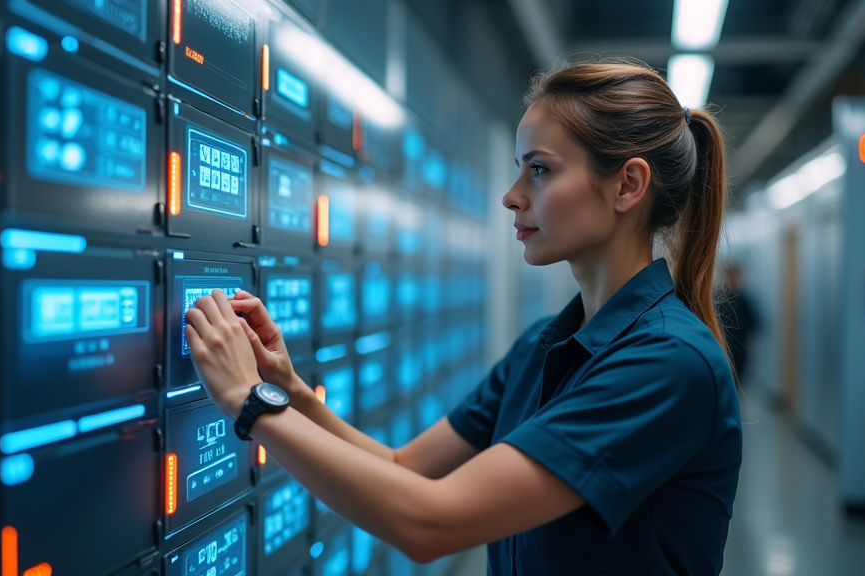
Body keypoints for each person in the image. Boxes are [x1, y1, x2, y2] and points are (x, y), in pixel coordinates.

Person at [184, 59, 742, 575]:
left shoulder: (668, 364)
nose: (511, 196)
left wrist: (247, 402)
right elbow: (405, 469)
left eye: (540, 171)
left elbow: (431, 521)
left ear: (628, 185)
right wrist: (289, 390)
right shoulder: (543, 347)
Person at [717, 263, 760, 381]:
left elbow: (755, 323)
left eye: (735, 275)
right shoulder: (717, 298)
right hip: (721, 348)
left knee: (737, 381)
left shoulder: (744, 299)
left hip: (740, 349)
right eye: (731, 275)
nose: (733, 279)